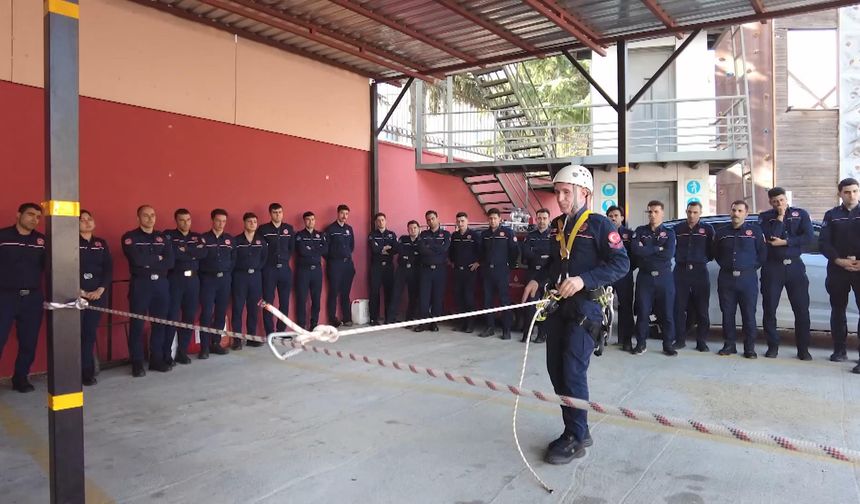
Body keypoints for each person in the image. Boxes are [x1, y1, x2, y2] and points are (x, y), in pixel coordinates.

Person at [521, 164, 629, 464]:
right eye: (557, 193)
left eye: (566, 192)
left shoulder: (600, 226)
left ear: (585, 193)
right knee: (556, 371)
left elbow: (621, 264)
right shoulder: (557, 226)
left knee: (572, 371)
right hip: (560, 308)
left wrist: (583, 280)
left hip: (587, 308)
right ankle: (577, 426)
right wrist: (537, 279)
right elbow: (554, 263)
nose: (561, 198)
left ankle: (576, 436)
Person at [759, 187, 813, 360]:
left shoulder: (801, 214)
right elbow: (771, 238)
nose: (779, 204)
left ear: (786, 199)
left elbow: (809, 237)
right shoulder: (765, 217)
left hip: (795, 267)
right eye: (775, 202)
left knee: (801, 309)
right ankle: (773, 346)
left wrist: (787, 242)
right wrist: (780, 218)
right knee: (769, 309)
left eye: (781, 200)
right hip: (772, 267)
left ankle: (803, 349)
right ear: (770, 202)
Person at [121, 205, 175, 376]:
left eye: (153, 215)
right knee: (137, 324)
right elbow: (136, 260)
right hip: (141, 285)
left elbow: (170, 262)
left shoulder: (163, 238)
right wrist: (157, 258)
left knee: (159, 323)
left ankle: (156, 359)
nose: (150, 218)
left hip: (161, 285)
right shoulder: (130, 237)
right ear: (138, 218)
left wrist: (149, 260)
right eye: (146, 216)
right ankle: (136, 362)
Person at [0, 203, 46, 392]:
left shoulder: (42, 241)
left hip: (32, 298)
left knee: (29, 341)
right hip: (5, 296)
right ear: (18, 214)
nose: (34, 219)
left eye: (38, 216)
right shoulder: (3, 236)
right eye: (30, 214)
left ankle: (20, 378)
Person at [714, 200, 766, 358]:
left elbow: (762, 254)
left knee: (749, 313)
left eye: (739, 211)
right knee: (727, 313)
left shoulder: (755, 232)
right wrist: (727, 265)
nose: (736, 213)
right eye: (734, 210)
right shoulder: (722, 232)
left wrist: (749, 268)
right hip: (726, 278)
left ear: (746, 214)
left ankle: (749, 348)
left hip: (747, 279)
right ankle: (729, 345)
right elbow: (716, 252)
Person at [819, 177, 860, 373]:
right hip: (838, 270)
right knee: (838, 311)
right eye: (847, 192)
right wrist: (838, 260)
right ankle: (839, 350)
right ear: (840, 194)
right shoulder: (832, 215)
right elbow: (824, 243)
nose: (851, 195)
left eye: (854, 191)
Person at [631, 201, 677, 356]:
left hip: (664, 278)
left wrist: (647, 250)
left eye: (656, 211)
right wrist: (657, 248)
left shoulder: (669, 233)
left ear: (662, 213)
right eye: (650, 212)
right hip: (645, 278)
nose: (652, 215)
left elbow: (668, 254)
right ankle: (641, 343)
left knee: (667, 313)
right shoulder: (640, 231)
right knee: (643, 312)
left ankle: (668, 344)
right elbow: (636, 250)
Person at [164, 208, 207, 366]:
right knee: (172, 317)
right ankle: (167, 353)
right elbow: (173, 255)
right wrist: (193, 252)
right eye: (182, 220)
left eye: (188, 220)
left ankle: (182, 352)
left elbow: (204, 253)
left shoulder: (197, 237)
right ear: (176, 221)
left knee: (189, 317)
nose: (186, 223)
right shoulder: (169, 236)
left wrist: (187, 250)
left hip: (193, 280)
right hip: (175, 279)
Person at [672, 201, 714, 352]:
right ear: (686, 211)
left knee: (702, 309)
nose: (692, 215)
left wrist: (700, 260)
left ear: (700, 213)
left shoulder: (707, 229)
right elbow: (673, 248)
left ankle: (701, 341)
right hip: (681, 271)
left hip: (699, 271)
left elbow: (711, 251)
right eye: (689, 212)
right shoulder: (677, 229)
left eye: (695, 212)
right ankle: (680, 340)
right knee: (678, 308)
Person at [78, 210, 112, 386]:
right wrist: (80, 291)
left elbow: (108, 269)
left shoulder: (101, 243)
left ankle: (87, 372)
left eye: (89, 219)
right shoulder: (69, 243)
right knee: (74, 335)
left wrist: (100, 290)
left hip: (97, 295)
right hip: (76, 296)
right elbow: (62, 268)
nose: (86, 222)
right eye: (82, 220)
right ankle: (70, 373)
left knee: (89, 334)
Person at [199, 208, 234, 359]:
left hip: (224, 280)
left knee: (220, 313)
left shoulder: (229, 239)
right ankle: (204, 347)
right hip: (208, 280)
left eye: (224, 221)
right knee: (206, 313)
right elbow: (199, 260)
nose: (221, 224)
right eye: (218, 220)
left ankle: (216, 343)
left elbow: (234, 259)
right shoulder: (203, 239)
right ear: (212, 220)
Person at [478, 208, 518, 340]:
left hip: (502, 271)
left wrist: (510, 266)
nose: (492, 221)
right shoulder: (484, 234)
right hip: (488, 272)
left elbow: (514, 250)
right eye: (490, 218)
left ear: (500, 219)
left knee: (504, 300)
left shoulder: (507, 232)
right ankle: (489, 327)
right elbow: (482, 251)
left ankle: (506, 330)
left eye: (495, 218)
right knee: (487, 300)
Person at [231, 212, 267, 349]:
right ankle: (237, 340)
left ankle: (252, 337)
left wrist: (256, 268)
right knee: (238, 308)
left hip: (255, 278)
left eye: (254, 222)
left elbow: (264, 258)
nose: (252, 224)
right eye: (250, 222)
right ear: (244, 223)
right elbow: (233, 259)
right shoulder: (236, 241)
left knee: (253, 308)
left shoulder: (261, 241)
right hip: (240, 277)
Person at [258, 203, 295, 336]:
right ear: (270, 214)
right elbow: (260, 249)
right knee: (267, 302)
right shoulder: (263, 229)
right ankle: (270, 332)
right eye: (275, 212)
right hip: (269, 270)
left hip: (285, 269)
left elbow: (292, 248)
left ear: (283, 213)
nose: (278, 214)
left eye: (280, 212)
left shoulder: (289, 229)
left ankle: (281, 331)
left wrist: (284, 259)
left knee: (284, 301)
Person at [415, 210, 451, 332]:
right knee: (424, 297)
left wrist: (430, 247)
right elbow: (422, 249)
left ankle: (434, 323)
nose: (430, 221)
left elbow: (445, 249)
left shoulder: (446, 234)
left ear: (437, 218)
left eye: (432, 218)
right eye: (428, 220)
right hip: (425, 270)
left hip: (440, 271)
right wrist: (436, 249)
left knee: (437, 297)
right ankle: (423, 323)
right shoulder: (423, 234)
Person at [605, 205, 635, 351]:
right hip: (606, 275)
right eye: (610, 215)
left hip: (624, 276)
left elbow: (635, 256)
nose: (613, 218)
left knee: (625, 307)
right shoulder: (602, 233)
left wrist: (628, 269)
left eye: (616, 215)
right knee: (602, 306)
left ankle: (626, 339)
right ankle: (601, 337)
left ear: (622, 218)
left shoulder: (629, 234)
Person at [520, 208, 552, 343]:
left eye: (544, 218)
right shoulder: (530, 235)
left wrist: (537, 254)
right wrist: (541, 255)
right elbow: (526, 253)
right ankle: (527, 334)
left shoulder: (553, 236)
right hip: (532, 273)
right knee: (530, 305)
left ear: (549, 219)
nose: (542, 221)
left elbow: (552, 256)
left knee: (544, 306)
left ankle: (542, 334)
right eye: (539, 218)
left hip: (547, 275)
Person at [295, 211, 328, 330]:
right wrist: (316, 249)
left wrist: (311, 249)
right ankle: (301, 325)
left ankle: (314, 323)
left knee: (316, 298)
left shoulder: (320, 234)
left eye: (313, 219)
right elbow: (302, 251)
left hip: (317, 271)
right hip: (303, 271)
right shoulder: (299, 235)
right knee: (302, 299)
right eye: (308, 219)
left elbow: (325, 249)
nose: (311, 222)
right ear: (304, 221)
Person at [449, 211, 480, 333]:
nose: (460, 223)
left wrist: (478, 262)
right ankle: (462, 323)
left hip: (469, 272)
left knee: (468, 297)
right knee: (458, 297)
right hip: (457, 271)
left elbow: (481, 250)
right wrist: (451, 261)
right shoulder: (455, 236)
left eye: (462, 221)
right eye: (458, 221)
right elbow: (451, 251)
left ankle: (470, 324)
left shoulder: (474, 235)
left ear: (467, 221)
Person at [325, 204, 355, 327]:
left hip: (347, 264)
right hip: (335, 265)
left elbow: (352, 246)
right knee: (333, 292)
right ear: (338, 213)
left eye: (346, 214)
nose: (344, 216)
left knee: (345, 293)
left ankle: (347, 318)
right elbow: (326, 248)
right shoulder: (330, 229)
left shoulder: (349, 229)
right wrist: (333, 259)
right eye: (342, 213)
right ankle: (333, 319)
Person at [387, 220, 421, 324]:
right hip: (402, 269)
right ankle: (390, 319)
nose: (413, 230)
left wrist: (407, 255)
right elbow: (399, 250)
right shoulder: (403, 239)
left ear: (419, 229)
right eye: (410, 228)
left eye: (415, 228)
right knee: (396, 294)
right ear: (407, 229)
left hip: (415, 270)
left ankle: (409, 319)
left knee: (413, 295)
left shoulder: (422, 240)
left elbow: (420, 254)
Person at [368, 212, 398, 325]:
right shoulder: (372, 235)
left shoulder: (391, 234)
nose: (381, 222)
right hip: (376, 267)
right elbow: (374, 249)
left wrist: (381, 248)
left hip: (389, 267)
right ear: (376, 222)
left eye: (382, 220)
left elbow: (395, 249)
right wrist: (385, 248)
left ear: (386, 221)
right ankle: (373, 318)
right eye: (378, 220)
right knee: (374, 293)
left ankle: (389, 318)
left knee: (389, 292)